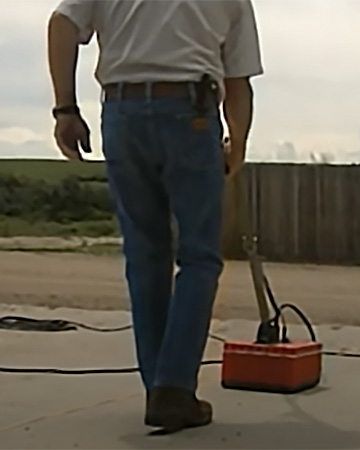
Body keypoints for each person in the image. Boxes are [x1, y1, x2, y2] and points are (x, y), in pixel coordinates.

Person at [47, 0, 263, 432]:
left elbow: (61, 24)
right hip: (190, 111)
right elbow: (237, 82)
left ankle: (160, 387)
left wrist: (65, 109)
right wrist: (236, 142)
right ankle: (174, 388)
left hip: (122, 112)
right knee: (199, 258)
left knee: (145, 255)